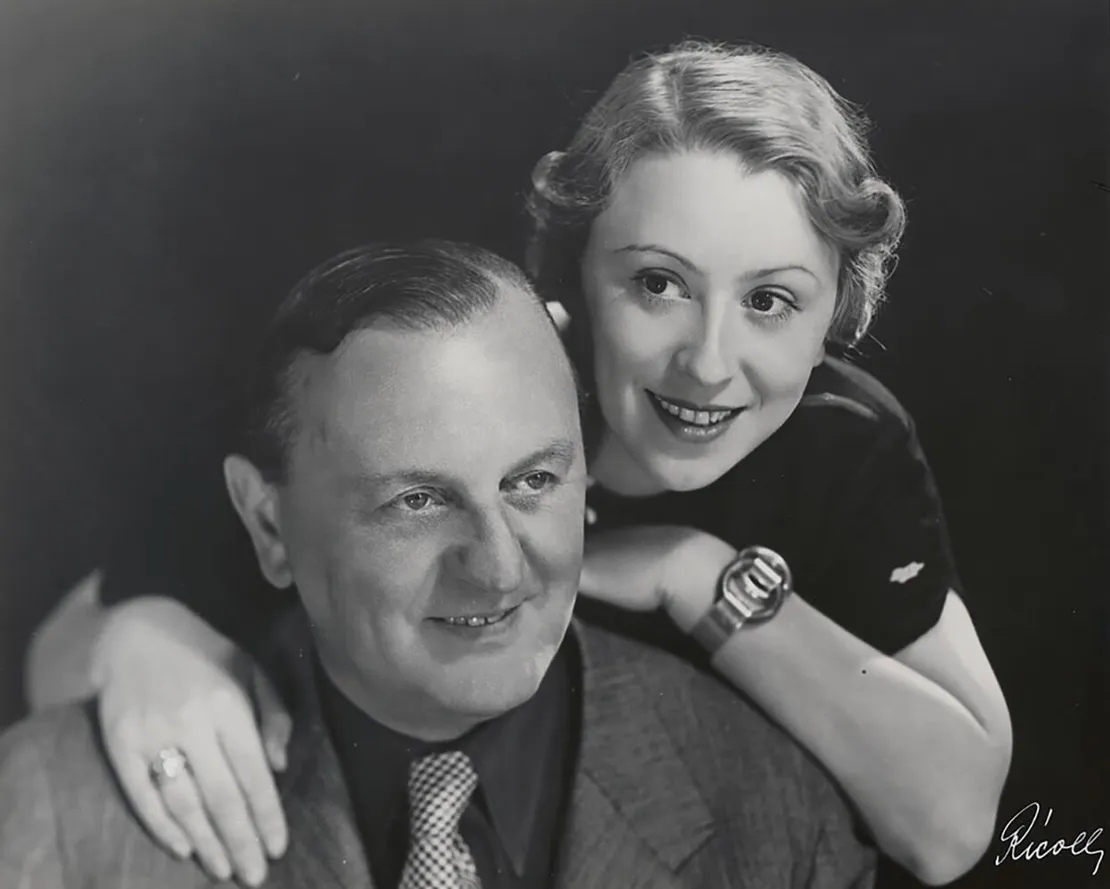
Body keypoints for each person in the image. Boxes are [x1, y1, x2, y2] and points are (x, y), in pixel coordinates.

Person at [26, 41, 1012, 887]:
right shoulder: (458, 381)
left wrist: (696, 574)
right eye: (658, 283)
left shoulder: (847, 437)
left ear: (839, 308)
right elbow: (65, 657)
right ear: (569, 274)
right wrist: (148, 641)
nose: (709, 364)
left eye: (770, 300)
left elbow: (951, 825)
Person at [1, 240, 878, 889]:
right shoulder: (53, 812)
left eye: (533, 481)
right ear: (267, 524)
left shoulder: (776, 808)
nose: (498, 569)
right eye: (418, 501)